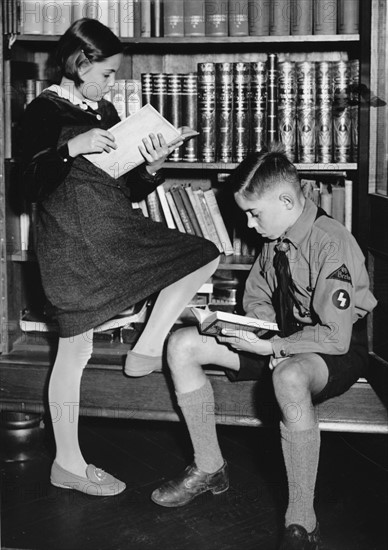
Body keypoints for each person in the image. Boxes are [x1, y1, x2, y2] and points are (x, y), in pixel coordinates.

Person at [20, 18, 219, 497]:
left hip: (114, 228)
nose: (111, 82)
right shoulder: (41, 110)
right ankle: (67, 462)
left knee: (202, 254)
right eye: (106, 73)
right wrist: (72, 147)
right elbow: (25, 182)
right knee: (75, 349)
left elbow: (125, 185)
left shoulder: (106, 110)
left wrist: (150, 163)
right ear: (80, 62)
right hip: (70, 240)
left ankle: (148, 347)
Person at [151, 144, 377, 549]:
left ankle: (301, 522)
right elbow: (256, 293)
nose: (251, 226)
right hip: (277, 337)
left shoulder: (331, 243)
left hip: (331, 349)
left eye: (255, 213)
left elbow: (336, 336)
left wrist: (273, 347)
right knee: (182, 344)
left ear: (287, 200)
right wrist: (252, 326)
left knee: (289, 376)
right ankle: (209, 466)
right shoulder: (276, 240)